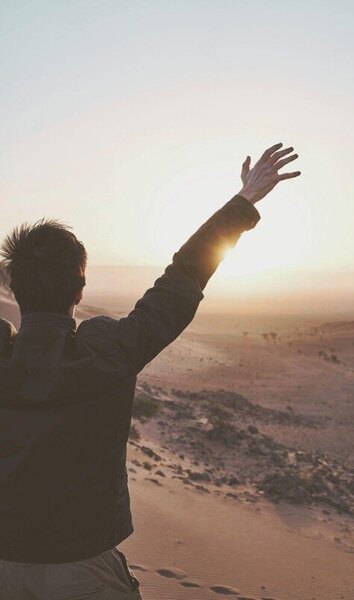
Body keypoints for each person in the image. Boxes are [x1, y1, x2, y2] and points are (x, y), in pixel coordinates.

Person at [0, 143, 300, 599]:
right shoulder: (110, 352)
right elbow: (182, 279)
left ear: (13, 287)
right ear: (80, 287)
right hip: (80, 565)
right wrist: (243, 203)